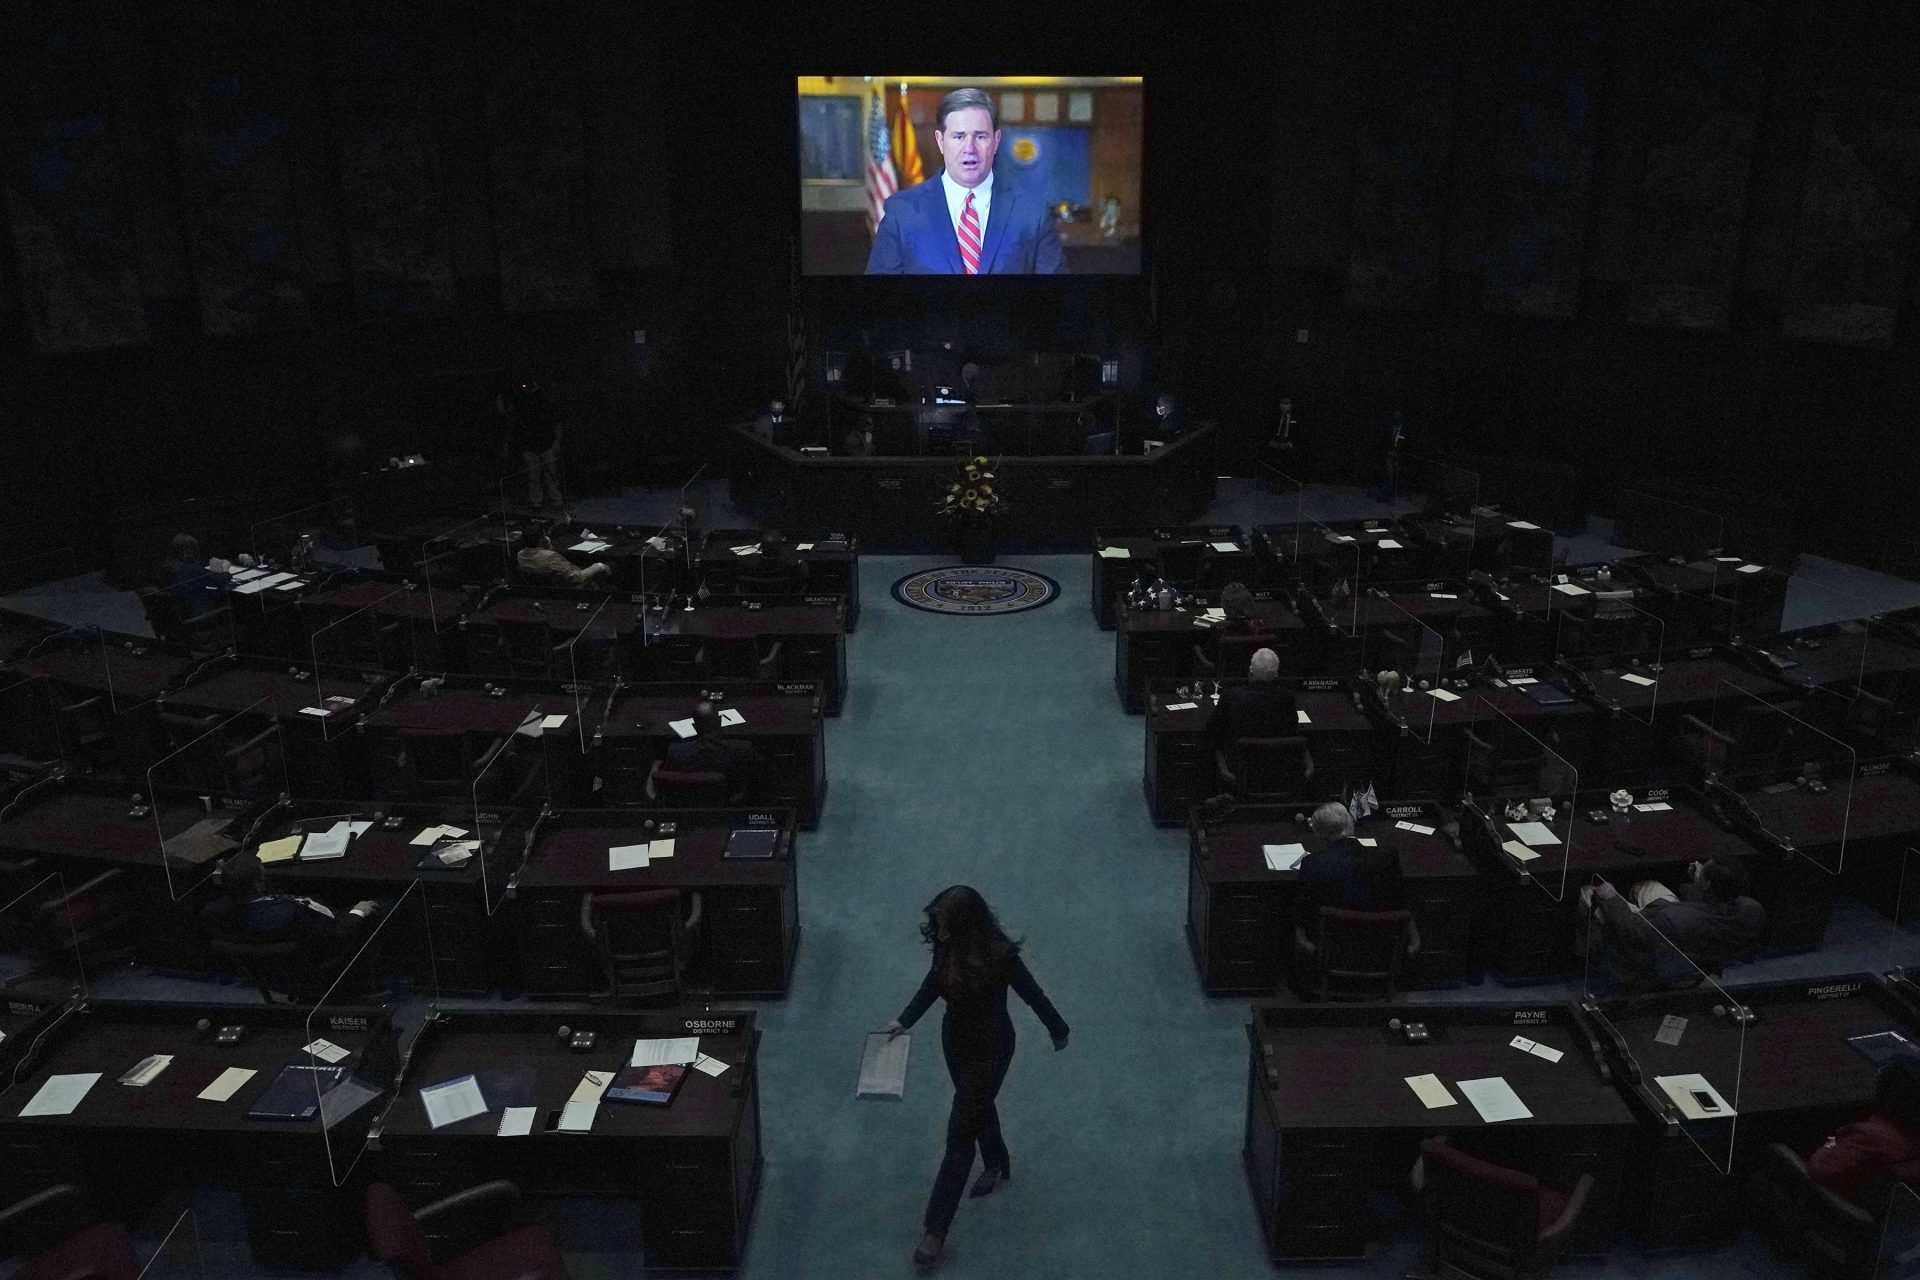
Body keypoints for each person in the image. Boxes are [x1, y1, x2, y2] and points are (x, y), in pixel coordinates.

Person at [883, 886, 1069, 1269]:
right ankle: (998, 1161)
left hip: (992, 1048)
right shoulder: (947, 946)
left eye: (945, 925)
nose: (938, 932)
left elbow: (1033, 994)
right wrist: (903, 1021)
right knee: (976, 1107)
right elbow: (932, 985)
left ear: (966, 925)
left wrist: (1058, 1029)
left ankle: (935, 1230)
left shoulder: (1001, 956)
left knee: (959, 1134)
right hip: (955, 1044)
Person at [865, 88, 1068, 276]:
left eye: (980, 136)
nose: (969, 148)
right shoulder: (902, 211)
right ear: (940, 141)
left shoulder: (1032, 213)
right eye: (958, 136)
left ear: (996, 141)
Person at [1582, 858, 1767, 993]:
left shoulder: (1672, 919)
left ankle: (1585, 960)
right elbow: (1711, 907)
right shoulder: (1752, 910)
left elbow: (1631, 930)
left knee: (1587, 894)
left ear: (1708, 885)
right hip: (1692, 944)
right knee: (1648, 886)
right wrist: (1700, 884)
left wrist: (1610, 898)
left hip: (1656, 959)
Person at [201, 851, 383, 981]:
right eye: (263, 872)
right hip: (326, 954)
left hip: (280, 968)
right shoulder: (290, 915)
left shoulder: (216, 912)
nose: (266, 875)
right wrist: (358, 912)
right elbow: (337, 936)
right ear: (257, 884)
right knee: (387, 905)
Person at [1293, 802, 1417, 961]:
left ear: (1319, 833)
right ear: (1350, 823)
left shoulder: (1313, 864)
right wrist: (1414, 938)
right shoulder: (1387, 857)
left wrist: (1302, 940)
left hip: (1332, 952)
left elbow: (1303, 911)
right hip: (1382, 950)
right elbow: (1402, 901)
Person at [1807, 1056, 1920, 1211]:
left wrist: (1831, 1140)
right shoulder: (1909, 1138)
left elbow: (1819, 1169)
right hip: (1865, 1203)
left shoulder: (1872, 1136)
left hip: (1831, 1202)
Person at [1205, 648, 1300, 753]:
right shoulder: (1286, 697)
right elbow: (1292, 727)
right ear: (1276, 674)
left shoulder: (1231, 696)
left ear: (1251, 669)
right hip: (1279, 762)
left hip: (1238, 764)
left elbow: (1212, 727)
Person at [664, 700, 760, 800]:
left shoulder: (676, 751)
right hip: (731, 806)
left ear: (694, 726)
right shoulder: (743, 749)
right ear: (720, 721)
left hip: (690, 804)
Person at [499, 377, 563, 509]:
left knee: (551, 474)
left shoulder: (545, 402)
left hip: (547, 444)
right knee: (533, 476)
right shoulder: (520, 404)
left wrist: (556, 443)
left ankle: (557, 500)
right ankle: (536, 502)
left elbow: (557, 423)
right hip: (529, 446)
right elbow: (509, 417)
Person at [516, 521, 611, 588]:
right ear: (541, 539)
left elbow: (542, 557)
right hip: (571, 588)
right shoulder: (551, 557)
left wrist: (547, 545)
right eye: (544, 535)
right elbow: (576, 578)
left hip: (544, 588)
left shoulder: (520, 555)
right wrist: (599, 566)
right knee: (608, 567)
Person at [158, 533, 215, 618]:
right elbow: (220, 580)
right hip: (196, 613)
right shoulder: (190, 569)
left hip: (175, 615)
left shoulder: (166, 568)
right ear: (190, 551)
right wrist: (225, 568)